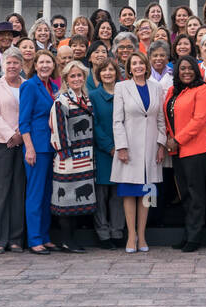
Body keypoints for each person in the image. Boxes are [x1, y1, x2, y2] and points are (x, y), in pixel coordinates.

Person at [112, 51, 167, 253]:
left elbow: (161, 120)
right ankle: (131, 236)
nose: (137, 66)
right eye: (134, 63)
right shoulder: (122, 87)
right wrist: (121, 147)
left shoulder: (156, 87)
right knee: (129, 192)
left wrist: (161, 145)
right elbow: (117, 120)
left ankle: (142, 235)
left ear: (147, 66)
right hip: (130, 148)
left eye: (141, 63)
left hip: (151, 149)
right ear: (129, 67)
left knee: (147, 192)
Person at [163, 56, 206, 252]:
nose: (186, 71)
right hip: (178, 150)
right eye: (182, 68)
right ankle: (188, 233)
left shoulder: (203, 90)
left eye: (190, 68)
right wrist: (170, 138)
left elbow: (199, 120)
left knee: (195, 194)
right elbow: (169, 118)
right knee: (184, 194)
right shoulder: (172, 91)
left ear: (196, 70)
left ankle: (195, 237)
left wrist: (177, 139)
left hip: (196, 149)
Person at [49, 61, 97, 253]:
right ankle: (67, 240)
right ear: (66, 79)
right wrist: (65, 155)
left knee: (76, 203)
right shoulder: (61, 101)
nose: (76, 79)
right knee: (66, 200)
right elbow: (58, 130)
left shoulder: (86, 98)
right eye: (72, 76)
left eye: (79, 76)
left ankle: (73, 239)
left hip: (86, 157)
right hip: (69, 158)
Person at [0, 47, 27, 253]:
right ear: (3, 65)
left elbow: (28, 111)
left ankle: (16, 238)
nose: (12, 66)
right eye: (8, 63)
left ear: (22, 65)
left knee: (19, 191)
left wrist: (20, 134)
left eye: (16, 63)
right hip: (2, 143)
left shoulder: (27, 85)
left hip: (24, 143)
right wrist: (10, 135)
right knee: (1, 192)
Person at [19, 49, 60, 254]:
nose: (45, 65)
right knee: (35, 194)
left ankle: (45, 235)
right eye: (41, 62)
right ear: (35, 65)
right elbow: (23, 121)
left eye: (48, 62)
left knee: (47, 195)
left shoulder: (53, 86)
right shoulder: (29, 86)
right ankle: (34, 239)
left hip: (53, 147)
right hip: (37, 147)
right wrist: (29, 147)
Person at [89, 58, 126, 248]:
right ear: (99, 74)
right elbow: (93, 125)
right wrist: (110, 146)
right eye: (104, 70)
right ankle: (103, 233)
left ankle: (117, 231)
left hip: (123, 150)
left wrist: (121, 146)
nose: (108, 73)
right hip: (103, 151)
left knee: (118, 194)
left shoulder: (124, 93)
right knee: (101, 194)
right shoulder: (93, 96)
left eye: (111, 70)